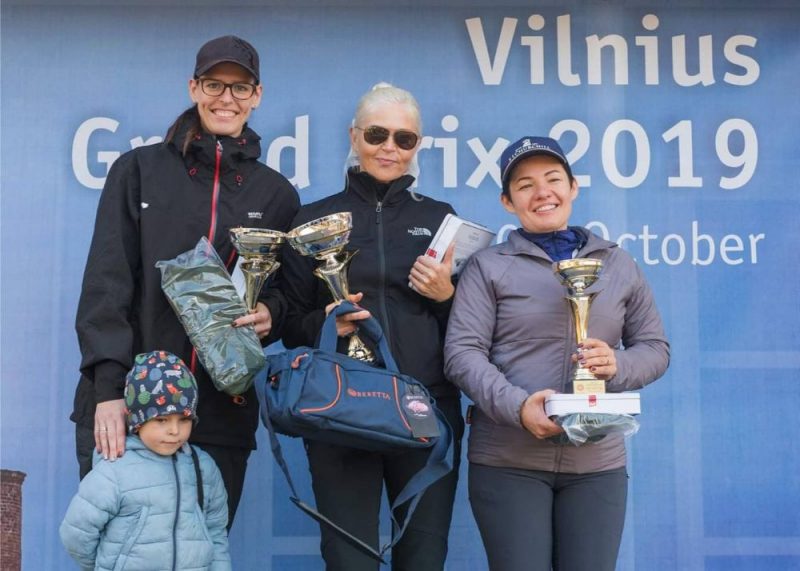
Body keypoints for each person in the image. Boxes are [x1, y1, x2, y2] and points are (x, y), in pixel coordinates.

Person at [72, 35, 300, 528]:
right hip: (132, 410)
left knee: (201, 554)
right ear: (194, 87)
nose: (227, 98)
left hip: (219, 417)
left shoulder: (277, 194)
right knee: (123, 555)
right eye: (215, 84)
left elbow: (285, 296)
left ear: (257, 96)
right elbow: (106, 287)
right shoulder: (139, 171)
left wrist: (271, 314)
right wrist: (109, 392)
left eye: (241, 88)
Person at [444, 136, 670, 571]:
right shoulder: (487, 267)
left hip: (598, 463)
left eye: (552, 179)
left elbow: (655, 349)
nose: (542, 192)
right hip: (508, 460)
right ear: (508, 202)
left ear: (573, 187)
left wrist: (617, 364)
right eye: (525, 185)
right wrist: (517, 406)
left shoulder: (618, 263)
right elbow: (462, 353)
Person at [280, 82, 464, 570]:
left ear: (417, 146)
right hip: (341, 406)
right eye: (378, 134)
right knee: (349, 559)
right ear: (354, 135)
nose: (390, 148)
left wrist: (447, 296)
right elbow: (289, 323)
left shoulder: (440, 219)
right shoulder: (313, 220)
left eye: (405, 139)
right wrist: (324, 325)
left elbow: (468, 328)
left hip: (426, 406)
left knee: (423, 555)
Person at [60, 350, 231, 570]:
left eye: (184, 420)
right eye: (161, 419)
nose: (174, 430)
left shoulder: (203, 468)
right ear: (138, 421)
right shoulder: (114, 469)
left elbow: (216, 534)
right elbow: (76, 533)